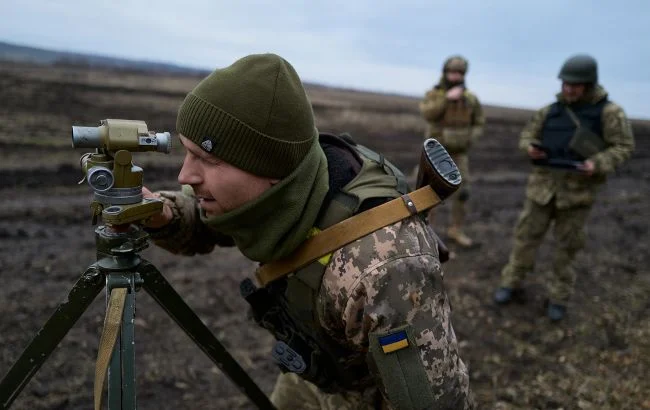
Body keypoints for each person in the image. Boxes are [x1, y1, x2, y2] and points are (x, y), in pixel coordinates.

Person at [142, 53, 475, 409]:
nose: (185, 175)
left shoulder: (383, 268)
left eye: (208, 160)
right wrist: (160, 214)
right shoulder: (285, 183)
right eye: (186, 153)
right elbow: (217, 215)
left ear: (270, 168)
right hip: (317, 374)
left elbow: (434, 404)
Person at [493, 54, 635, 321]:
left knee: (566, 249)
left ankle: (559, 297)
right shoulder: (550, 111)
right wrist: (530, 148)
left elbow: (625, 147)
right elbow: (527, 135)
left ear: (589, 84)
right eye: (565, 83)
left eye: (575, 85)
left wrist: (599, 162)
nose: (568, 89)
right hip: (541, 190)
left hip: (577, 194)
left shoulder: (610, 113)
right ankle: (510, 282)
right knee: (525, 240)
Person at [419, 55, 485, 249]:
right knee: (429, 192)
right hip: (436, 152)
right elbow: (428, 113)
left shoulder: (470, 99)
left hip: (459, 153)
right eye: (452, 72)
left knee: (463, 192)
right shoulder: (435, 94)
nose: (455, 76)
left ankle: (456, 229)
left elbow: (479, 122)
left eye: (459, 73)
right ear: (445, 72)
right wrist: (446, 99)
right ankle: (426, 231)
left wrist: (470, 138)